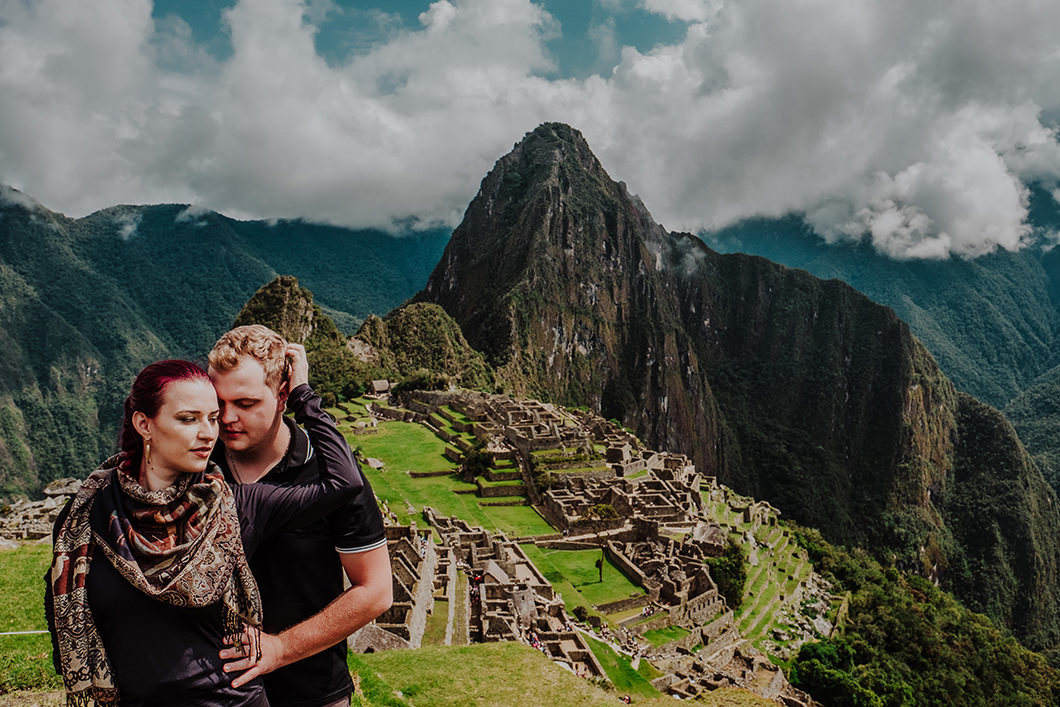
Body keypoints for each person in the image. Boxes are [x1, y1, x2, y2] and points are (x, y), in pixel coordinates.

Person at [46, 353, 362, 706]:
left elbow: (343, 482)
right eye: (188, 419)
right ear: (144, 423)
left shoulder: (234, 507)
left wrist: (302, 393)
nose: (208, 433)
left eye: (212, 419)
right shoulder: (89, 512)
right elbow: (62, 608)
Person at [208, 325, 391, 707]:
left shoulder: (328, 472)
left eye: (244, 404)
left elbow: (375, 591)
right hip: (210, 687)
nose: (226, 418)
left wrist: (280, 649)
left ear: (282, 396)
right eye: (218, 402)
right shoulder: (198, 466)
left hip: (311, 690)